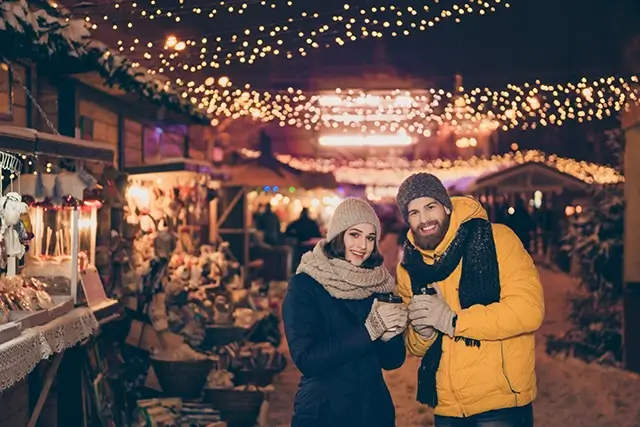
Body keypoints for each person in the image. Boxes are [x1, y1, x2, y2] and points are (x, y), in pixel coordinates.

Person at [395, 173, 544, 427]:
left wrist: (452, 320)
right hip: (447, 407)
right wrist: (424, 331)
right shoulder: (410, 267)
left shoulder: (496, 239)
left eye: (430, 207)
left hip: (500, 404)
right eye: (414, 212)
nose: (424, 219)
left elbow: (528, 311)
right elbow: (415, 346)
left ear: (446, 206)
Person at [282, 198, 407, 427]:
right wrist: (369, 331)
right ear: (338, 234)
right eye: (355, 234)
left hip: (372, 410)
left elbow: (392, 362)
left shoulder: (377, 284)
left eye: (370, 238)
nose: (363, 245)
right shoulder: (306, 284)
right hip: (324, 411)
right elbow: (307, 359)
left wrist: (390, 336)